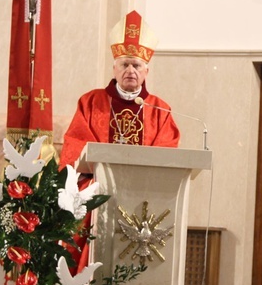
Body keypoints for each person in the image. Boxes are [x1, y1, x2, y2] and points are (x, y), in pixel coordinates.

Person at [59, 10, 180, 168]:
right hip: (98, 186)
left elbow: (167, 154)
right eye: (124, 65)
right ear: (114, 70)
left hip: (144, 188)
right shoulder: (90, 102)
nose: (130, 71)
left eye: (136, 65)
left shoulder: (160, 110)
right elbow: (75, 145)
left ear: (146, 72)